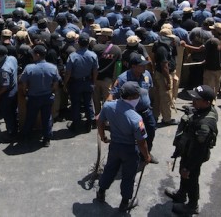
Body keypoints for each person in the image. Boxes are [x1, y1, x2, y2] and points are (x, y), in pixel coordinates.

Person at [96, 81, 151, 212]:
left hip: (115, 146)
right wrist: (147, 156)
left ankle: (101, 192)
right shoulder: (136, 118)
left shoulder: (108, 106)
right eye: (138, 96)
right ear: (132, 98)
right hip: (130, 150)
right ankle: (125, 203)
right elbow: (142, 142)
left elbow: (99, 121)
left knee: (109, 169)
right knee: (128, 176)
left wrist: (102, 136)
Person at [165, 85, 218, 215]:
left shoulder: (204, 126)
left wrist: (188, 167)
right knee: (184, 174)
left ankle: (192, 205)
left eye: (197, 99)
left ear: (207, 102)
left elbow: (198, 151)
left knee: (191, 179)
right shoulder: (204, 109)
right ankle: (182, 194)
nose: (193, 101)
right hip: (187, 150)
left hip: (193, 157)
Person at [108, 54, 158, 163]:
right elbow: (113, 94)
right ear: (133, 66)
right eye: (142, 65)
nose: (145, 67)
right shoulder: (122, 79)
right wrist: (107, 110)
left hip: (146, 112)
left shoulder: (147, 75)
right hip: (131, 114)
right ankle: (129, 157)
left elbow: (150, 90)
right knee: (131, 138)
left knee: (151, 131)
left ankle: (146, 154)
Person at [19, 45, 60, 147]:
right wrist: (52, 91)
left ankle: (26, 136)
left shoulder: (29, 68)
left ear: (37, 55)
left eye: (33, 54)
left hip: (33, 97)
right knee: (47, 118)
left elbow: (23, 83)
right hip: (47, 96)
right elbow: (56, 82)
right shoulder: (53, 67)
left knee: (30, 117)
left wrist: (25, 92)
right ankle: (46, 139)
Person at [64, 33, 99, 133]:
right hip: (88, 82)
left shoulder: (72, 56)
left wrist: (65, 83)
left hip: (75, 83)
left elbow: (68, 73)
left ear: (78, 43)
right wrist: (94, 82)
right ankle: (89, 124)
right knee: (88, 103)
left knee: (75, 104)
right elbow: (95, 71)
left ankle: (76, 125)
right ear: (88, 43)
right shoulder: (93, 55)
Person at [0, 45, 18, 140]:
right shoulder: (12, 58)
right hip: (15, 88)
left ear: (2, 56)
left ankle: (11, 132)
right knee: (14, 111)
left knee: (7, 113)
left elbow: (5, 86)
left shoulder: (4, 70)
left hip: (7, 93)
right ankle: (15, 127)